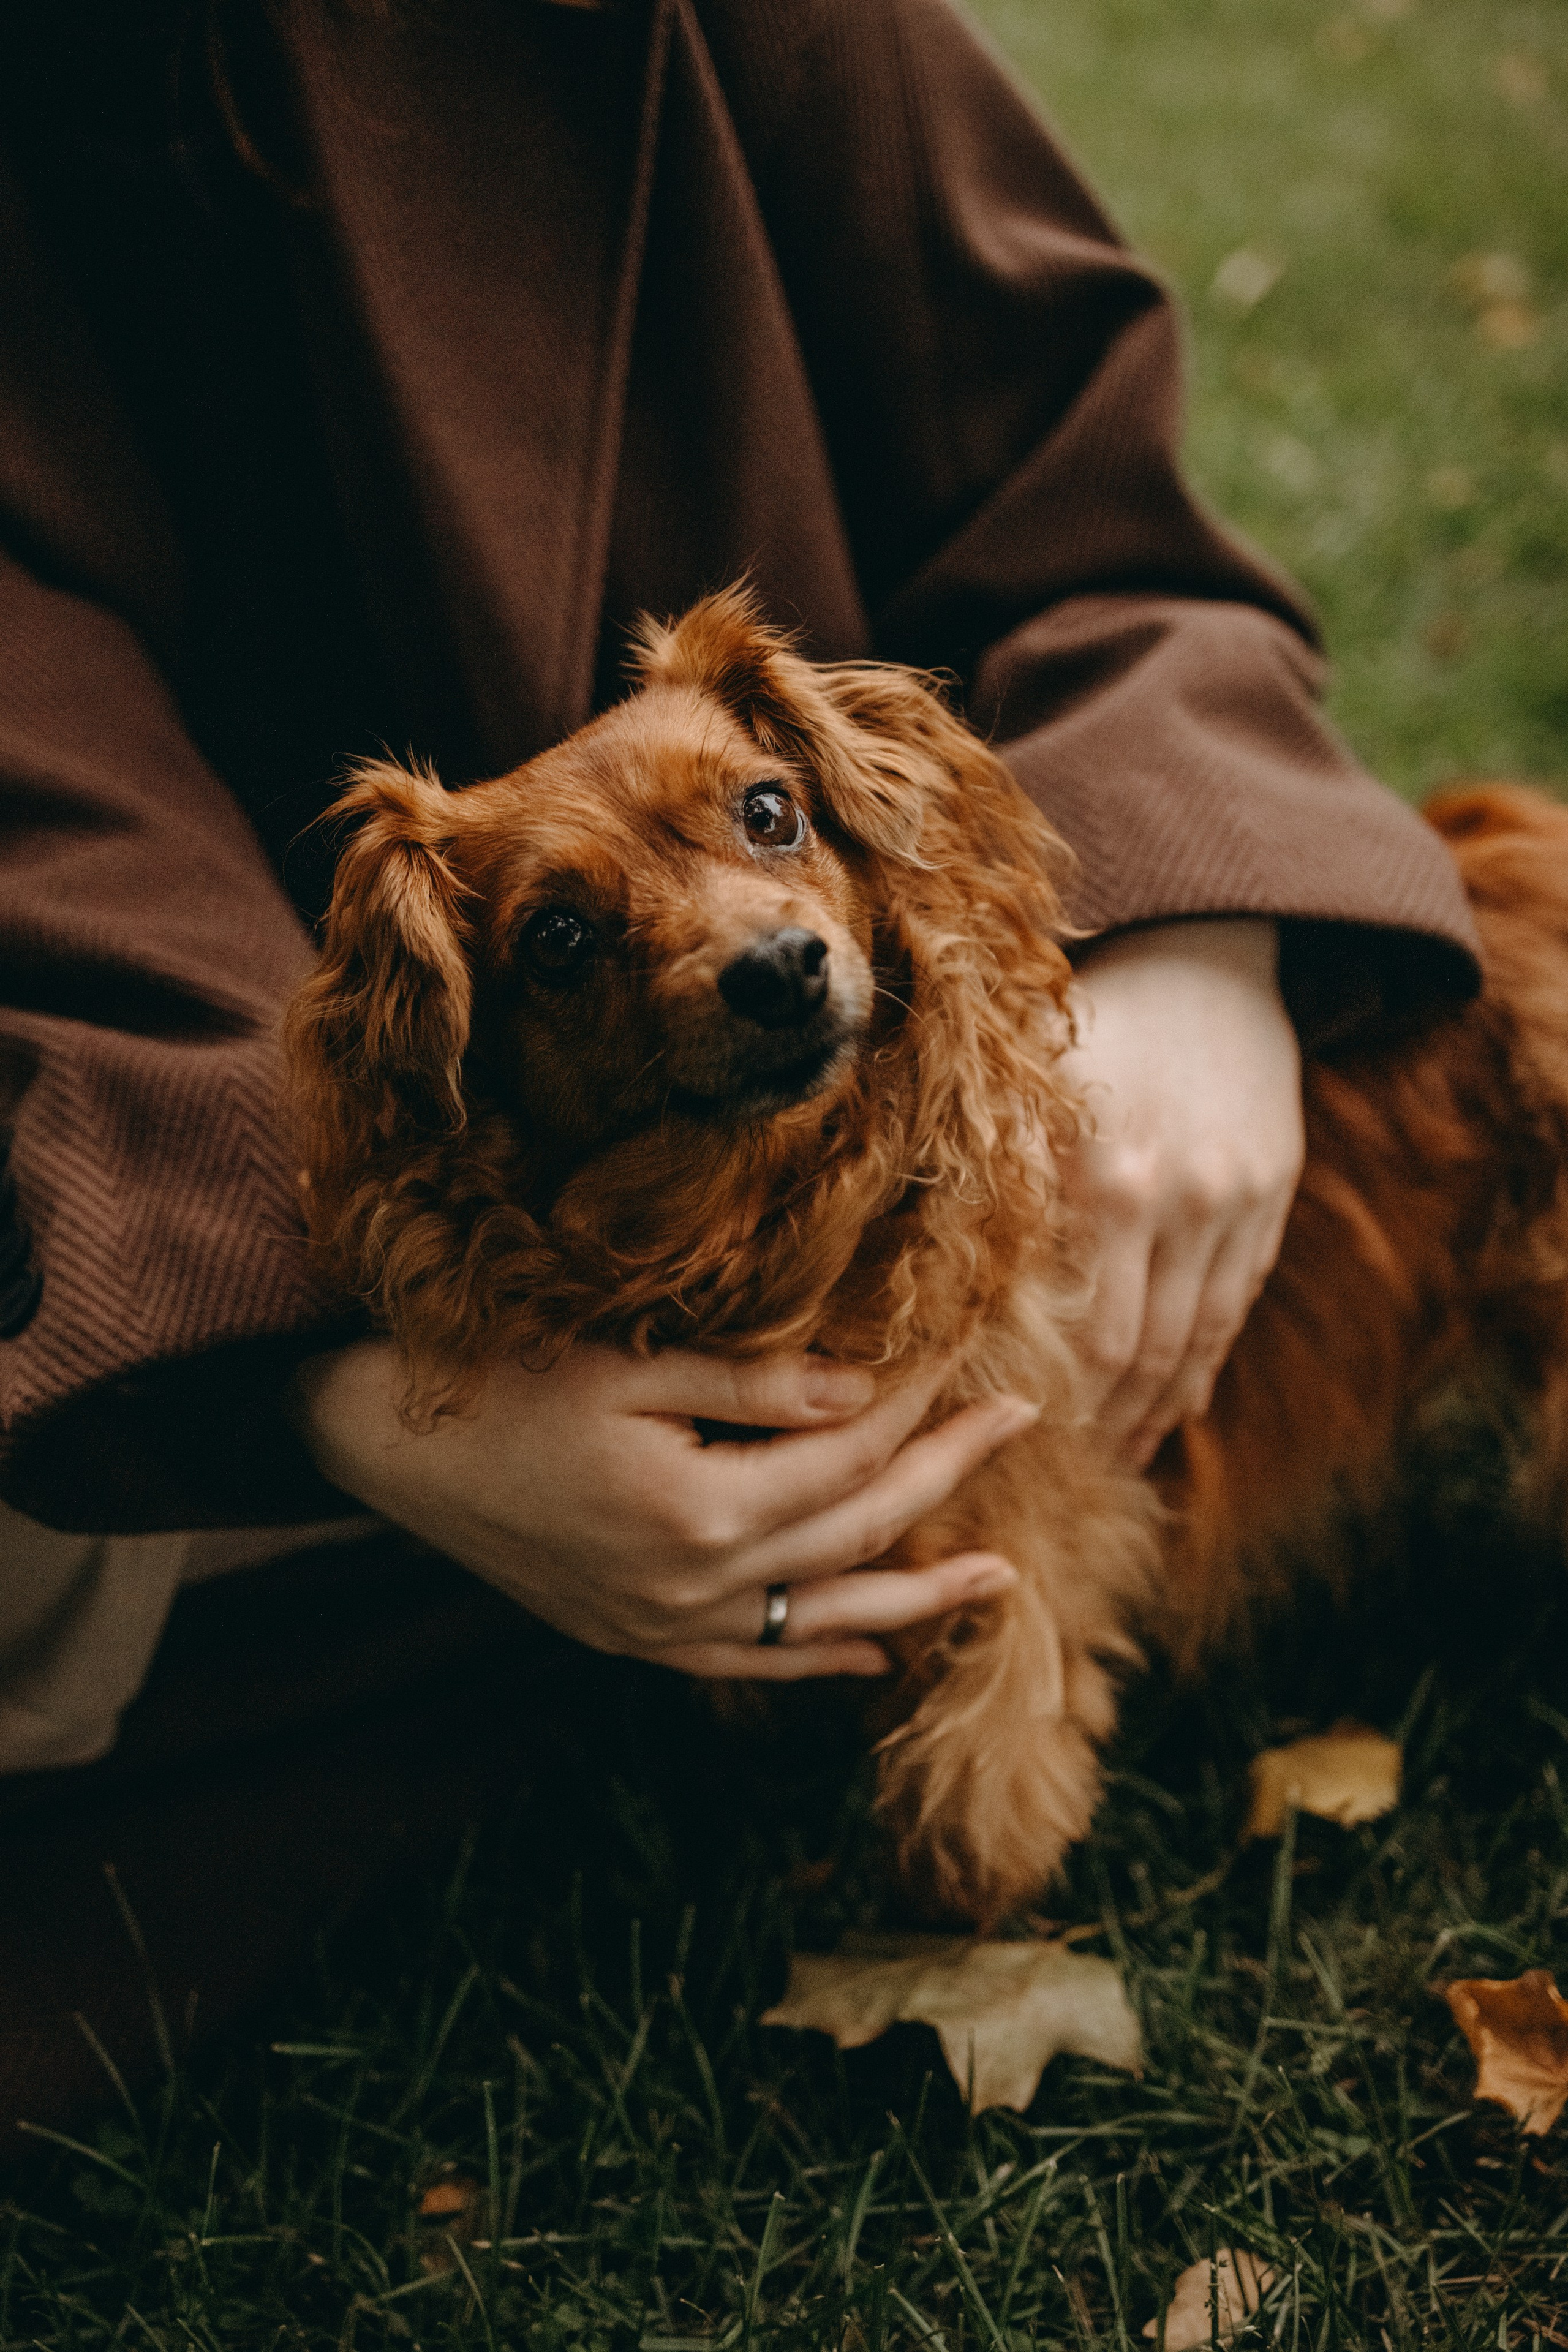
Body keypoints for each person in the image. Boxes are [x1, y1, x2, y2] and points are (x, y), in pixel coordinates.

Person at [0, 0, 1477, 2127]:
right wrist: (320, 1374)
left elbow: (1075, 481)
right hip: (143, 1221)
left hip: (881, 1184)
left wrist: (1196, 937)